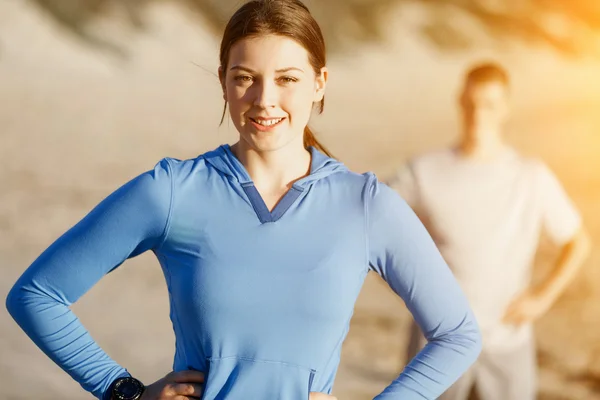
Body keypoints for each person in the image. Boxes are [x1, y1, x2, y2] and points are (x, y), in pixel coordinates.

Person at [6, 1, 482, 399]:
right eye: (244, 77)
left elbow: (458, 334)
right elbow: (36, 296)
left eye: (287, 79)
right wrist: (123, 391)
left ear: (320, 83)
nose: (263, 99)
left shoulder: (366, 206)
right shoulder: (172, 192)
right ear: (223, 81)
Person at [389, 62, 591, 400]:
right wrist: (403, 284)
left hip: (507, 342)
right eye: (471, 104)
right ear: (459, 102)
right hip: (436, 342)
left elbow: (578, 242)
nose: (478, 114)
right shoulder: (424, 171)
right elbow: (369, 222)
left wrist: (542, 298)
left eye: (490, 105)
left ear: (506, 109)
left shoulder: (531, 176)